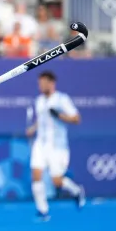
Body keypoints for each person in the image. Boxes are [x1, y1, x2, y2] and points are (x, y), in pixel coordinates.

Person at [26, 71, 85, 221]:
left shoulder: (62, 99)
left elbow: (76, 119)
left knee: (56, 181)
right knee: (36, 175)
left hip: (57, 146)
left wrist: (59, 116)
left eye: (43, 83)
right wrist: (33, 129)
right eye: (39, 83)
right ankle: (43, 211)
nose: (40, 86)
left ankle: (76, 191)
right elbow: (41, 120)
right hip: (41, 144)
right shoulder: (39, 101)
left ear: (52, 83)